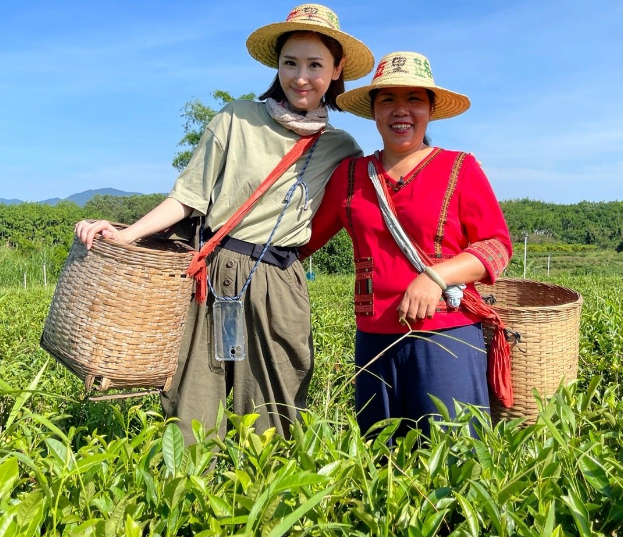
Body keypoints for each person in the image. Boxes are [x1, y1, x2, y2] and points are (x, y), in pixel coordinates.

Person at [74, 4, 374, 444]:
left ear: (336, 70)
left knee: (277, 402)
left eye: (315, 65)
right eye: (290, 63)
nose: (301, 77)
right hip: (213, 270)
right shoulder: (236, 117)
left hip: (280, 279)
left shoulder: (341, 146)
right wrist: (126, 234)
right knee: (195, 398)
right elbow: (187, 196)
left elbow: (359, 206)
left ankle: (267, 500)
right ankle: (191, 496)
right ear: (277, 66)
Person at [299, 51, 513, 440]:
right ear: (374, 112)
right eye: (388, 100)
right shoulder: (351, 174)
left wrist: (435, 277)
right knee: (381, 459)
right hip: (374, 338)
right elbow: (304, 240)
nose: (401, 111)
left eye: (414, 99)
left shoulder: (459, 167)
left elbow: (497, 246)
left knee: (454, 457)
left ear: (430, 109)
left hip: (446, 336)